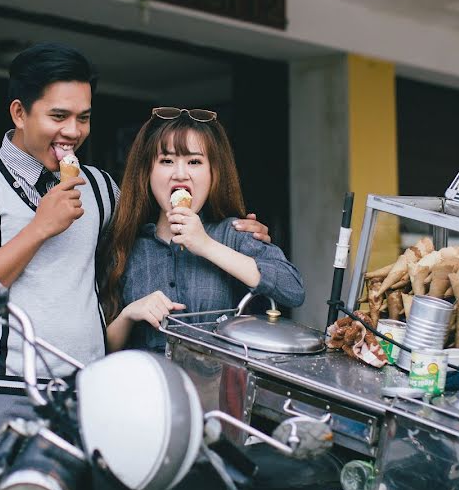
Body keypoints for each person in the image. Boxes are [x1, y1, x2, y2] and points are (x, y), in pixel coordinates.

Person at [0, 43, 270, 490]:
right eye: (58, 116)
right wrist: (39, 226)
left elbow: (153, 237)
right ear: (19, 113)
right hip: (5, 400)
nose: (72, 131)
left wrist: (238, 233)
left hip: (93, 403)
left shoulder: (100, 188)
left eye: (83, 117)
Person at [100, 106, 305, 354]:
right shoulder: (127, 246)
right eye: (166, 161)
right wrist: (129, 314)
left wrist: (206, 245)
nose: (180, 173)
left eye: (194, 161)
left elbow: (293, 290)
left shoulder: (234, 233)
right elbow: (103, 350)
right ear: (147, 173)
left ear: (213, 173)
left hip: (219, 388)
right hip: (151, 387)